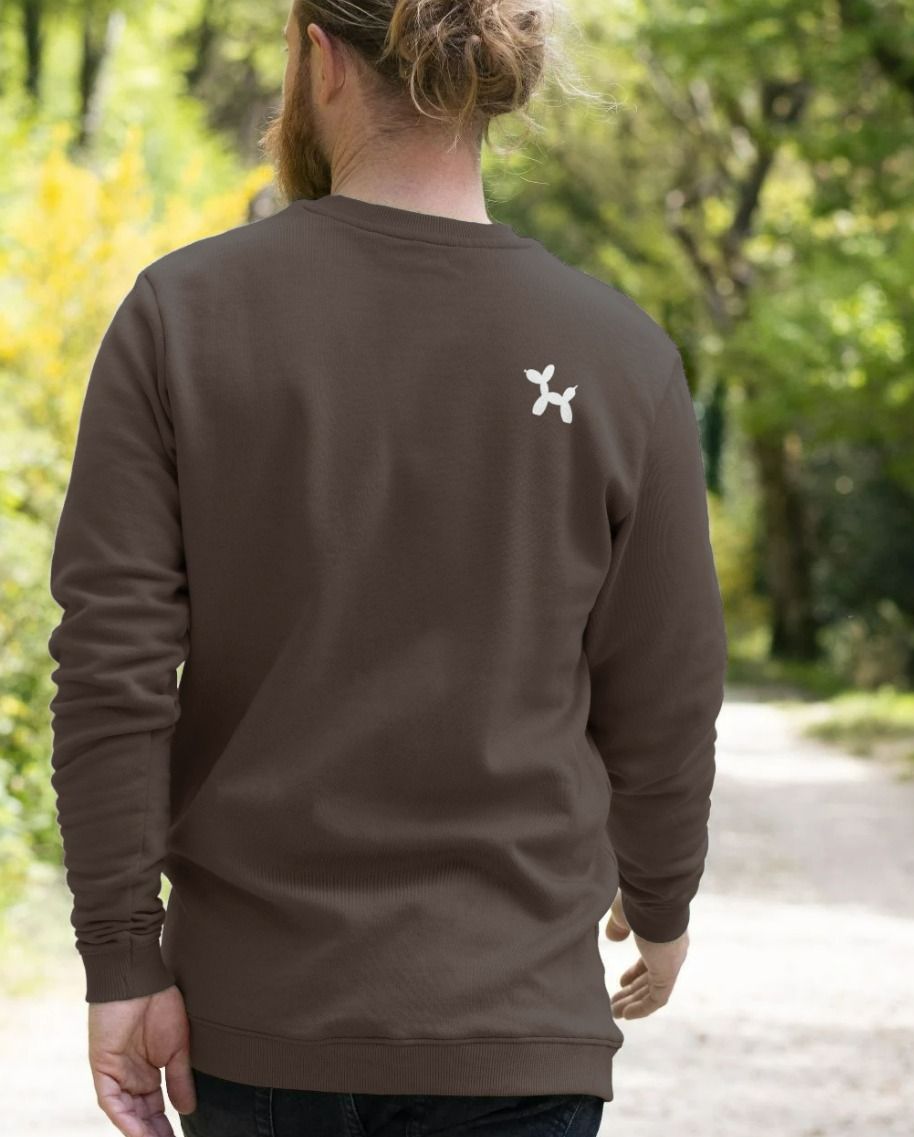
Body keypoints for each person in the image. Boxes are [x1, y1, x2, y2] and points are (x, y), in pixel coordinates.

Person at [45, 1, 728, 1135]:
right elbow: (665, 689)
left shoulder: (182, 316)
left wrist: (121, 958)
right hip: (516, 1028)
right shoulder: (621, 354)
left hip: (258, 1027)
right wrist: (660, 902)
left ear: (319, 57)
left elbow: (112, 673)